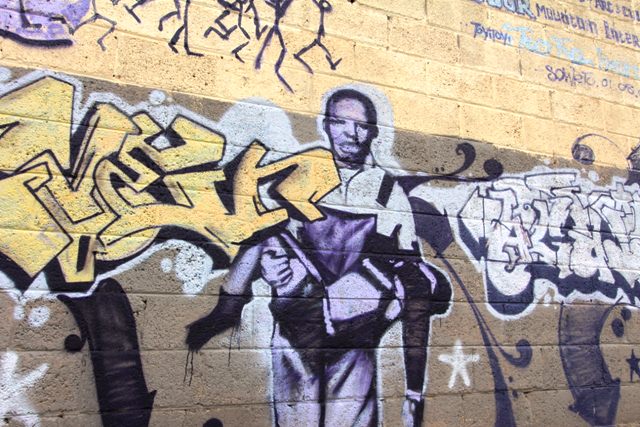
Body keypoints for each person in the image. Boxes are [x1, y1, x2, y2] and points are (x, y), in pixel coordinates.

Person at [186, 87, 451, 427]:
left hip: (354, 341)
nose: (352, 134)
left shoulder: (387, 192)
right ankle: (228, 309)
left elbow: (410, 274)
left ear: (373, 132)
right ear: (326, 126)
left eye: (362, 126)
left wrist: (413, 391)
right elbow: (267, 233)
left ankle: (232, 307)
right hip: (296, 333)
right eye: (341, 123)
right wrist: (269, 267)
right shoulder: (303, 174)